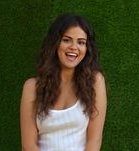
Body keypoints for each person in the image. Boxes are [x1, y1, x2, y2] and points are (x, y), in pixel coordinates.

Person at [20, 13, 107, 151]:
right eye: (67, 40)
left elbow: (94, 141)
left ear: (87, 48)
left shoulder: (95, 82)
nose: (74, 47)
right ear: (55, 44)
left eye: (81, 42)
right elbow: (28, 145)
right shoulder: (31, 87)